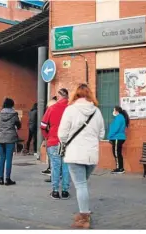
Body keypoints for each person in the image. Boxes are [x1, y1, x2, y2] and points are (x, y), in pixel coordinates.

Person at [58, 84, 105, 229]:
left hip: (75, 154)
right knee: (82, 184)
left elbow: (62, 134)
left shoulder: (70, 110)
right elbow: (102, 134)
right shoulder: (96, 111)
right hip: (91, 156)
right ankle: (84, 212)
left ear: (75, 95)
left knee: (80, 185)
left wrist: (66, 142)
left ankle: (84, 217)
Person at [41, 89, 70, 200]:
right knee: (66, 166)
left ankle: (55, 191)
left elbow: (43, 125)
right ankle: (65, 191)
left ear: (59, 96)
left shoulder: (52, 108)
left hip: (54, 141)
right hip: (67, 142)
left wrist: (47, 136)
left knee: (55, 166)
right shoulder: (71, 109)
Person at [0, 98, 21, 186]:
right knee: (9, 159)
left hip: (0, 137)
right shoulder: (14, 114)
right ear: (12, 105)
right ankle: (7, 179)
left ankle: (0, 179)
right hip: (10, 138)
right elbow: (18, 125)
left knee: (2, 158)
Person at [108, 106, 130, 174]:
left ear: (117, 111)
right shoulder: (120, 117)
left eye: (114, 110)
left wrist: (110, 136)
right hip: (119, 138)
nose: (113, 112)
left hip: (117, 137)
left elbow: (115, 128)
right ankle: (120, 168)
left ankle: (119, 169)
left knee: (116, 154)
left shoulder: (119, 117)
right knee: (118, 153)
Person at [42, 96, 58, 179]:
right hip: (58, 138)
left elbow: (43, 125)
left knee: (53, 158)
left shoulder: (50, 110)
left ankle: (53, 176)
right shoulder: (58, 110)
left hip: (51, 138)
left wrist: (46, 137)